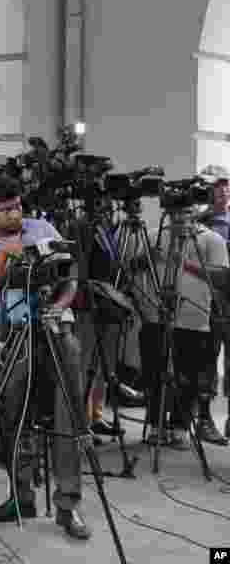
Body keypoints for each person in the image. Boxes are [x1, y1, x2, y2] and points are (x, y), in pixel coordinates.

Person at [0, 173, 90, 539]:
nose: (15, 215)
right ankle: (22, 495)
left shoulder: (43, 227)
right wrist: (6, 253)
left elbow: (70, 277)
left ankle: (68, 505)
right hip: (12, 333)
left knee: (68, 418)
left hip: (55, 329)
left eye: (17, 207)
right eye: (4, 210)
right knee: (14, 418)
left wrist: (59, 305)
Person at [130, 176, 229, 449]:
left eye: (186, 212)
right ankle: (155, 423)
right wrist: (145, 258)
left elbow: (221, 278)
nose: (180, 219)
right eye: (175, 213)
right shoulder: (152, 235)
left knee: (190, 375)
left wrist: (184, 265)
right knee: (154, 371)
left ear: (194, 211)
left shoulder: (212, 240)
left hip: (194, 319)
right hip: (155, 316)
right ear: (167, 213)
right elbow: (133, 269)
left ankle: (181, 425)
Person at [200, 166, 230, 442]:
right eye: (217, 185)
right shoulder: (199, 224)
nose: (222, 190)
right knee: (207, 362)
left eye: (225, 184)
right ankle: (204, 419)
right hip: (209, 303)